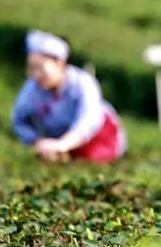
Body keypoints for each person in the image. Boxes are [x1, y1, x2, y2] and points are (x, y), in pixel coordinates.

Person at [11, 30, 127, 163]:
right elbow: (19, 119)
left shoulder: (82, 83)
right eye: (31, 68)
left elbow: (88, 121)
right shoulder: (33, 87)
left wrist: (62, 145)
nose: (35, 75)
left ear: (60, 63)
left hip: (99, 141)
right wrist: (37, 141)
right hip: (61, 145)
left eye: (40, 68)